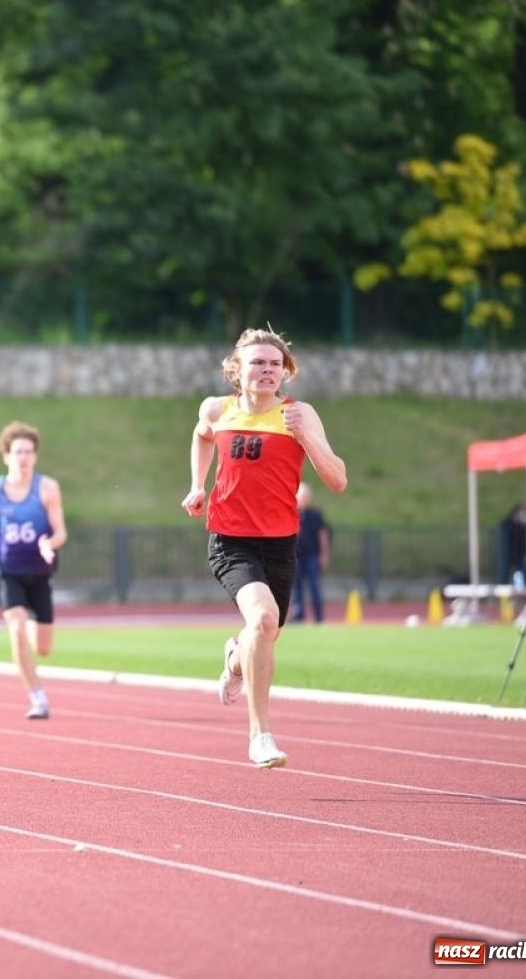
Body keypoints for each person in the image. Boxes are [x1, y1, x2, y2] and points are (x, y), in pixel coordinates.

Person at [182, 328, 347, 768]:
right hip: (230, 539)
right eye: (258, 362)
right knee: (263, 617)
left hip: (280, 541)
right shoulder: (217, 409)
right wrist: (198, 485)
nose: (268, 370)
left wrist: (306, 439)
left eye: (275, 364)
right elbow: (201, 436)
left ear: (285, 371)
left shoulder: (300, 414)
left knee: (265, 633)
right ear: (237, 370)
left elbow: (338, 479)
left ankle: (235, 659)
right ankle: (261, 735)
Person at [0, 421, 67, 720]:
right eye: (18, 452)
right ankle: (37, 697)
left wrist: (48, 543)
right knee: (16, 632)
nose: (23, 457)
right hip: (9, 570)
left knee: (43, 649)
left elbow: (61, 532)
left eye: (28, 452)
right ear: (6, 456)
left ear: (35, 456)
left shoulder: (47, 488)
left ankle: (30, 624)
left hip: (40, 573)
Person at [289, 484, 331, 623]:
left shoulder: (315, 515)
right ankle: (298, 614)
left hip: (312, 555)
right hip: (296, 556)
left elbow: (322, 534)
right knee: (297, 586)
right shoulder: (291, 513)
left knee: (314, 585)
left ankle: (319, 616)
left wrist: (324, 553)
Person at [497, 503, 526, 585]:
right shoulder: (507, 525)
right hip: (508, 555)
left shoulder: (523, 527)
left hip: (519, 555)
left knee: (524, 575)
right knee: (504, 575)